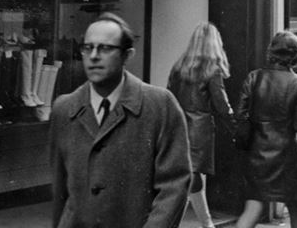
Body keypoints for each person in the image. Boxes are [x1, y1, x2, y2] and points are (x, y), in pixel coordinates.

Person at [50, 12, 191, 228]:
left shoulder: (159, 105)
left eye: (105, 48)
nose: (94, 56)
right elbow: (60, 191)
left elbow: (175, 185)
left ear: (127, 55)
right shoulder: (64, 109)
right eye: (88, 48)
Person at [235, 30, 297, 228]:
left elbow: (241, 116)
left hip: (257, 153)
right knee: (295, 209)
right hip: (287, 156)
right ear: (296, 55)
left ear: (272, 52)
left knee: (252, 208)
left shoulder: (254, 78)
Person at [168, 22, 234, 228]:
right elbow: (221, 104)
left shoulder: (179, 66)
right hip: (199, 129)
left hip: (178, 125)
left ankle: (202, 223)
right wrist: (236, 123)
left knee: (189, 179)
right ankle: (206, 224)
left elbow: (169, 95)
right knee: (194, 180)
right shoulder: (212, 69)